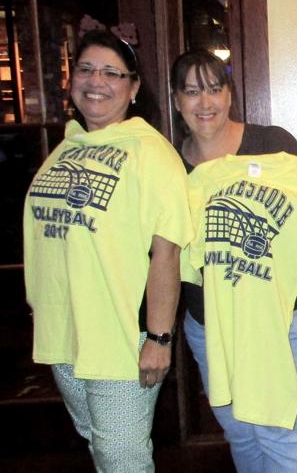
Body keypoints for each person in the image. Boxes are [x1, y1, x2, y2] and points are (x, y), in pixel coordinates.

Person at [23, 30, 192, 471]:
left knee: (123, 457)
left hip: (122, 335)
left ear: (133, 87)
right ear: (72, 79)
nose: (96, 80)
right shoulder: (66, 148)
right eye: (86, 69)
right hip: (66, 331)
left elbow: (167, 253)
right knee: (100, 445)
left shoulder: (151, 153)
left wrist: (159, 338)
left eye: (112, 72)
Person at [171, 49, 297, 472]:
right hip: (213, 326)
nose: (205, 102)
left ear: (230, 94)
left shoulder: (271, 144)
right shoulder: (169, 166)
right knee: (242, 433)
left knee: (283, 435)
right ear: (177, 101)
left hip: (293, 320)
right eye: (192, 92)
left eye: (214, 88)